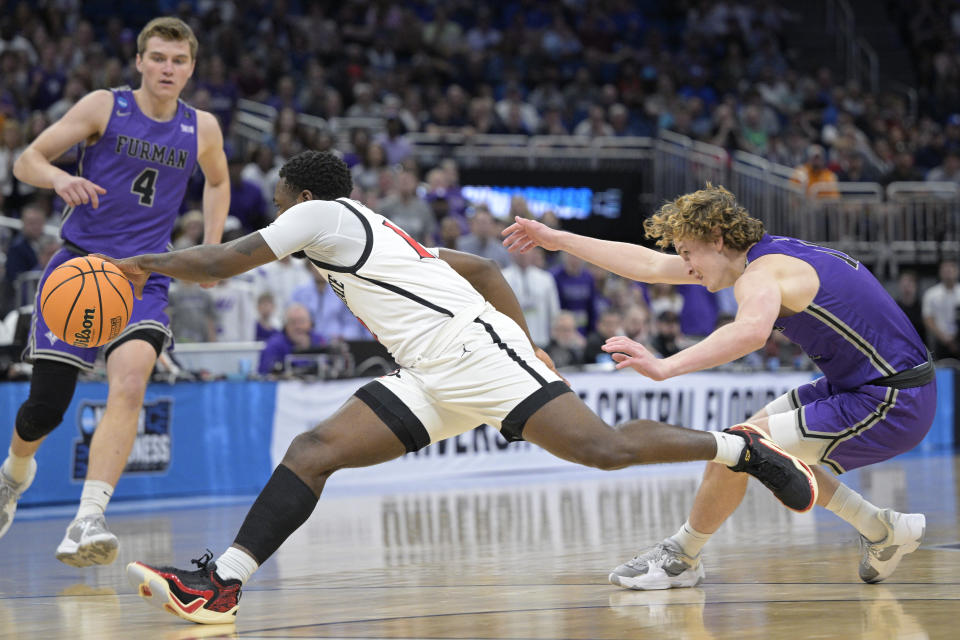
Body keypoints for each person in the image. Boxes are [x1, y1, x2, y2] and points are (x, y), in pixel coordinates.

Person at [105, 151, 814, 624]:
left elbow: (223, 262)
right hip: (432, 370)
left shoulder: (321, 215)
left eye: (284, 204)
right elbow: (480, 268)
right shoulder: (374, 230)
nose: (280, 215)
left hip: (475, 352)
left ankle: (740, 450)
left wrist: (140, 264)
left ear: (304, 198)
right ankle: (222, 584)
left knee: (603, 451)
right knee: (314, 448)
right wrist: (527, 338)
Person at [503, 183, 934, 589]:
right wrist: (559, 239)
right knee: (740, 448)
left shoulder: (760, 274)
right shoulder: (766, 256)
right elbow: (650, 266)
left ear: (717, 238)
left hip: (893, 397)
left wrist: (665, 366)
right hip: (857, 384)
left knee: (738, 448)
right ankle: (883, 529)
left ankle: (682, 556)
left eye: (689, 252)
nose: (686, 264)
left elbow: (749, 333)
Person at [0, 17, 229, 567]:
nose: (167, 69)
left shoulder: (203, 128)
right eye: (157, 58)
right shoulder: (106, 107)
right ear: (140, 62)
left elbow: (218, 181)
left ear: (191, 68)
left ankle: (87, 520)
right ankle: (13, 475)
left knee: (130, 384)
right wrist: (58, 179)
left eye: (178, 61)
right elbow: (27, 159)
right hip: (78, 270)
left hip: (142, 278)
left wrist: (213, 251)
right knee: (45, 411)